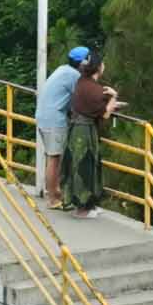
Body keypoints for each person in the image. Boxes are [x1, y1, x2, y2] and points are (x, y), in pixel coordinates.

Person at [61, 55, 123, 217]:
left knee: (75, 165)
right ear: (98, 68)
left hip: (75, 128)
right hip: (85, 131)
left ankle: (84, 204)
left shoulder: (81, 83)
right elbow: (105, 114)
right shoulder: (95, 90)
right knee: (85, 166)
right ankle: (83, 208)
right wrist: (114, 96)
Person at [36, 46, 92, 208]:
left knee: (54, 157)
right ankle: (53, 199)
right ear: (82, 63)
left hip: (45, 117)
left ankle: (56, 193)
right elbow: (84, 98)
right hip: (54, 120)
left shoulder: (63, 70)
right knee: (54, 158)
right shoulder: (73, 76)